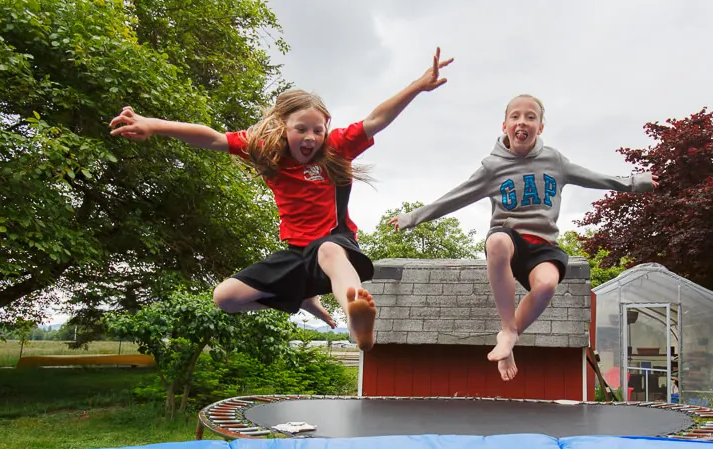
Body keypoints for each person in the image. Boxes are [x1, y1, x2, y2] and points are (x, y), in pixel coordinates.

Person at [109, 48, 454, 351]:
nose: (310, 137)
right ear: (282, 127)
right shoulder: (265, 150)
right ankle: (301, 297)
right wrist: (153, 124)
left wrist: (417, 86)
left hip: (335, 246)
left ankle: (355, 318)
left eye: (317, 130)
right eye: (301, 129)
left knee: (329, 250)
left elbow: (377, 120)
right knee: (224, 298)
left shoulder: (336, 147)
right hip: (294, 254)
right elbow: (212, 139)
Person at [388, 94, 657, 379]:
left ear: (540, 127)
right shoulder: (493, 167)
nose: (522, 122)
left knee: (546, 285)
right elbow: (455, 197)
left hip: (543, 246)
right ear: (504, 125)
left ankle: (511, 337)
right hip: (510, 241)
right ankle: (507, 329)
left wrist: (634, 182)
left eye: (530, 117)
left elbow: (594, 178)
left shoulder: (555, 161)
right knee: (497, 241)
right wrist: (412, 218)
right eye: (515, 116)